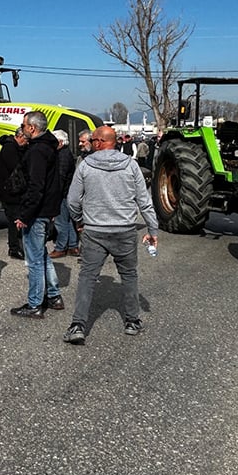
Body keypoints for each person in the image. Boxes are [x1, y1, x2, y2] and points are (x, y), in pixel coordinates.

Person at [63, 125, 159, 345]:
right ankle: (132, 321)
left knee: (87, 276)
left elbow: (72, 200)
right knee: (129, 275)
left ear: (98, 142)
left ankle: (78, 325)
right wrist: (152, 230)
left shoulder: (86, 166)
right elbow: (144, 202)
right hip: (124, 230)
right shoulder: (131, 165)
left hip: (95, 230)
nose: (88, 144)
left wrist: (80, 221)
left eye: (91, 141)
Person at [10, 111, 64, 319]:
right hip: (46, 209)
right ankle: (54, 295)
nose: (22, 129)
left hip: (37, 211)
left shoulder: (37, 151)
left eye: (24, 125)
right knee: (41, 255)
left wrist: (24, 215)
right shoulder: (49, 147)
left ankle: (34, 304)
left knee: (33, 260)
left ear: (32, 128)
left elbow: (36, 187)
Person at [0, 127, 29, 260]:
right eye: (26, 139)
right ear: (20, 136)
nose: (27, 142)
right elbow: (16, 167)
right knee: (14, 220)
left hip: (11, 190)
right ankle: (14, 247)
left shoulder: (13, 147)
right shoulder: (10, 148)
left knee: (15, 219)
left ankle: (16, 246)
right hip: (11, 191)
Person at [48, 131, 78, 258]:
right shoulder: (65, 153)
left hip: (62, 193)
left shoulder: (62, 155)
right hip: (67, 193)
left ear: (60, 142)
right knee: (68, 221)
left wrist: (55, 196)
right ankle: (73, 246)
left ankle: (61, 247)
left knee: (61, 222)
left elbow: (60, 177)